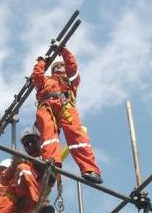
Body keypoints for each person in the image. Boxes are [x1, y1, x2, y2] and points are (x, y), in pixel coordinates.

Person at [32, 44, 103, 184]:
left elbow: (72, 66)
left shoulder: (70, 80)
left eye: (61, 66)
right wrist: (41, 61)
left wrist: (63, 50)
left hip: (65, 106)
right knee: (48, 136)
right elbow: (37, 76)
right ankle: (52, 164)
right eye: (55, 67)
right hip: (46, 107)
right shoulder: (47, 80)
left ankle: (90, 169)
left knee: (77, 136)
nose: (58, 68)